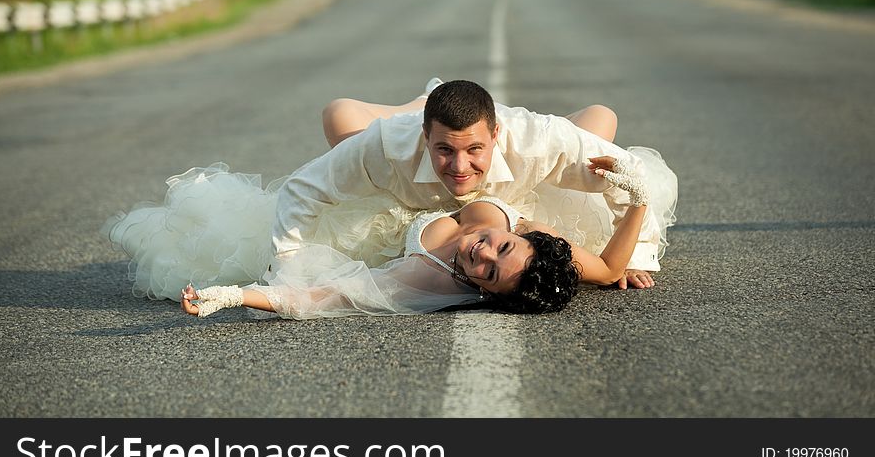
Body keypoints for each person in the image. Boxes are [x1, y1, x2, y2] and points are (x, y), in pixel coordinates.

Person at [274, 79, 677, 290]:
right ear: (424, 138)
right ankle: (424, 101)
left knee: (601, 118)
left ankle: (441, 104)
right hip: (404, 149)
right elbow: (301, 189)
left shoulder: (543, 142)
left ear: (497, 134)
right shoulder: (384, 148)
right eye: (444, 150)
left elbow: (630, 175)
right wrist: (288, 262)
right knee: (339, 114)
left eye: (474, 150)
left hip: (522, 175)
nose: (461, 167)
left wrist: (640, 253)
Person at [175, 154, 648, 319]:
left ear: (484, 290)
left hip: (389, 208)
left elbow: (319, 297)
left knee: (341, 121)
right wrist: (638, 199)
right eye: (501, 245)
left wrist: (235, 295)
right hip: (467, 170)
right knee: (598, 120)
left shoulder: (427, 278)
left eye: (487, 272)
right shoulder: (538, 243)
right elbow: (606, 270)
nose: (482, 251)